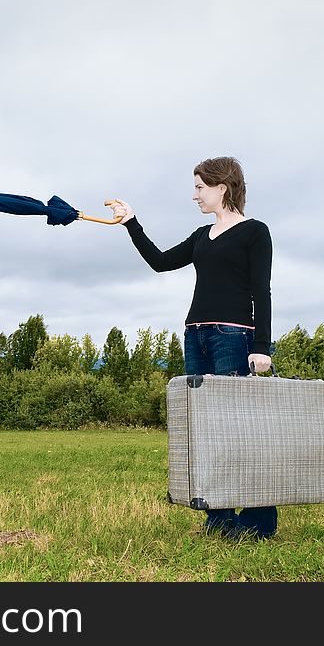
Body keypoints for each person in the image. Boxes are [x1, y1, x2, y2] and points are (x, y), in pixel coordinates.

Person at [110, 156, 277, 539]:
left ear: (223, 187)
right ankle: (219, 520)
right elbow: (160, 262)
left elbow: (261, 291)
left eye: (200, 187)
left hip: (234, 336)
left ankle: (257, 524)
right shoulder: (202, 236)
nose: (195, 195)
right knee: (208, 431)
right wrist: (131, 223)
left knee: (242, 432)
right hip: (196, 335)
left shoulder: (255, 232)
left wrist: (262, 346)